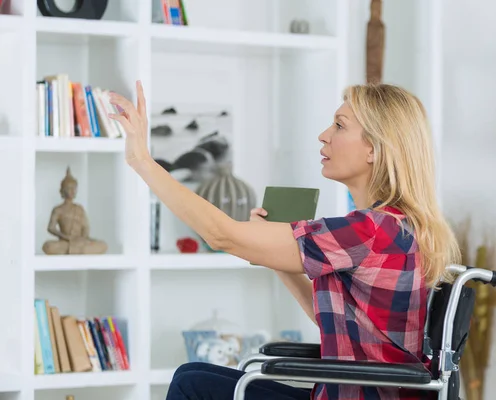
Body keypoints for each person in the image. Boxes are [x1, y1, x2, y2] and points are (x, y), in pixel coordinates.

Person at [108, 81, 461, 400]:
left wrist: (142, 160)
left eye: (339, 125)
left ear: (374, 149)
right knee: (192, 375)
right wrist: (277, 257)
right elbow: (337, 321)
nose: (324, 135)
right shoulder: (392, 225)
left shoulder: (369, 230)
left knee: (191, 386)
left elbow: (221, 235)